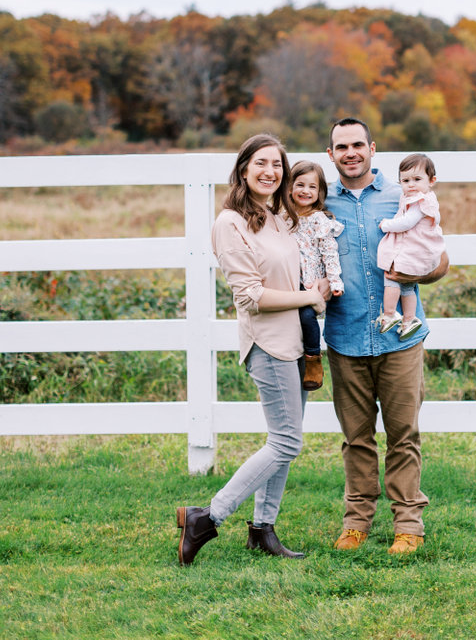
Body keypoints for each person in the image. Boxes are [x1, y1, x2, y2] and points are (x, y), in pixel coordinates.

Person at [176, 133, 326, 566]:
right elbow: (251, 296)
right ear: (243, 168)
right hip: (268, 343)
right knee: (285, 441)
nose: (270, 172)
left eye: (277, 164)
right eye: (261, 163)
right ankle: (207, 517)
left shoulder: (277, 215)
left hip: (298, 342)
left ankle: (263, 530)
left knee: (284, 440)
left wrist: (318, 289)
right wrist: (308, 297)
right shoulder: (230, 223)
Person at [324, 118, 449, 555]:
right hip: (345, 336)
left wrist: (414, 273)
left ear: (373, 148)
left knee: (403, 434)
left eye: (358, 144)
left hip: (399, 339)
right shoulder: (319, 203)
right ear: (331, 154)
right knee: (355, 438)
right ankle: (356, 522)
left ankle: (408, 524)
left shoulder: (404, 195)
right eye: (342, 146)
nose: (351, 152)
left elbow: (440, 259)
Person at [376, 153, 444, 341]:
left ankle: (389, 314)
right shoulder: (424, 199)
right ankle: (409, 319)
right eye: (405, 180)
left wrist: (386, 225)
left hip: (412, 251)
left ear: (432, 181)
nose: (411, 184)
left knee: (391, 278)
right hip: (417, 251)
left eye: (417, 179)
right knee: (407, 286)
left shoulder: (419, 201)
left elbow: (407, 223)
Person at [289, 160, 344, 391]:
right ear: (289, 187)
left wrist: (334, 281)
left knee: (305, 316)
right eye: (300, 184)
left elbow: (330, 253)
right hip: (287, 281)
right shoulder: (282, 217)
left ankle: (313, 359)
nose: (305, 191)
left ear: (320, 192)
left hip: (311, 282)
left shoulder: (320, 221)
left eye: (312, 187)